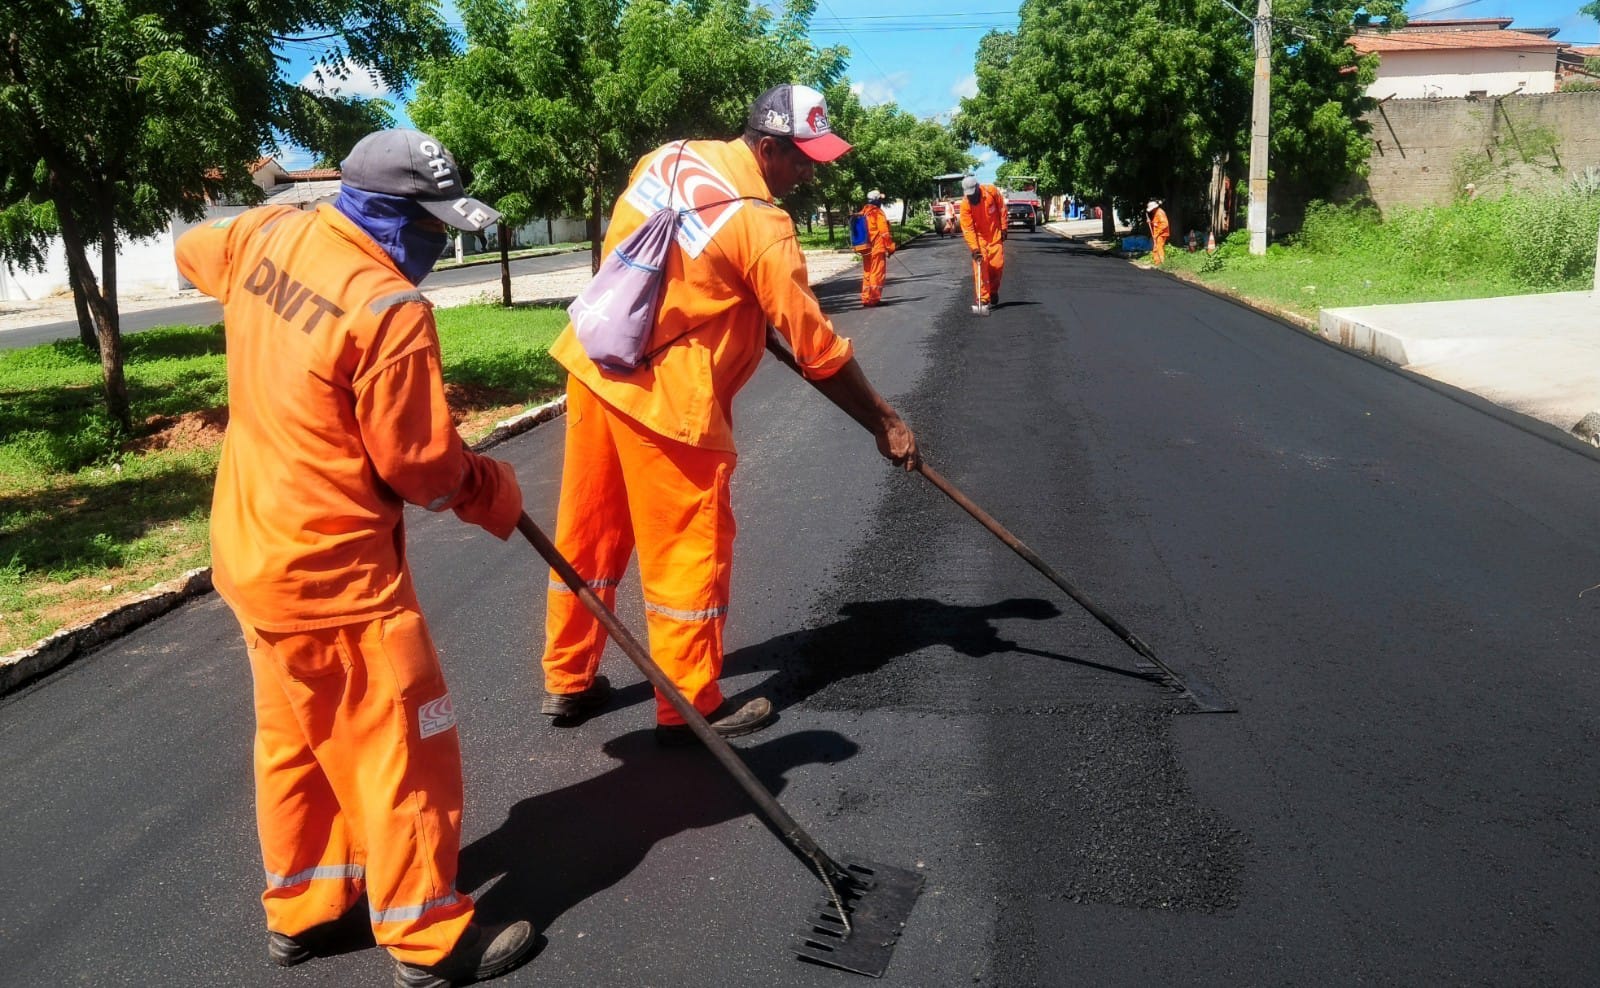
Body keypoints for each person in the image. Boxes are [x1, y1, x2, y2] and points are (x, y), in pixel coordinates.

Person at [174, 129, 535, 988]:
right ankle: (428, 937)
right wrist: (495, 491)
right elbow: (418, 465)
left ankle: (303, 909)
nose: (440, 246)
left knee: (297, 740)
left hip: (254, 555)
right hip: (338, 579)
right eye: (431, 226)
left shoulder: (269, 233)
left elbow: (192, 246)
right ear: (382, 213)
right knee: (403, 748)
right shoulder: (387, 308)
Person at [538, 83, 919, 746]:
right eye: (802, 159)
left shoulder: (668, 158)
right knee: (687, 552)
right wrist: (884, 421)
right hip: (668, 402)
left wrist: (733, 306)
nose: (809, 173)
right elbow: (817, 349)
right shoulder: (761, 224)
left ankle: (568, 678)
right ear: (767, 146)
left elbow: (662, 254)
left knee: (587, 537)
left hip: (597, 364)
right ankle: (688, 706)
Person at [959, 175, 1005, 315]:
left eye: (973, 194)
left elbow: (1002, 208)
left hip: (995, 236)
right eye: (968, 195)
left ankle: (993, 291)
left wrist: (1004, 227)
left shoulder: (991, 191)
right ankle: (983, 299)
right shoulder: (965, 205)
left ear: (978, 188)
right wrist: (974, 248)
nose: (971, 198)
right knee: (980, 266)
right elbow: (968, 229)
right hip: (979, 239)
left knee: (997, 266)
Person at [858, 189, 896, 307]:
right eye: (880, 199)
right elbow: (884, 233)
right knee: (877, 273)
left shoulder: (863, 212)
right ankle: (874, 299)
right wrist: (891, 247)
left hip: (865, 248)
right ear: (876, 200)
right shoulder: (877, 213)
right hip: (877, 247)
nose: (881, 202)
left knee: (867, 272)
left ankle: (866, 298)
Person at [1147, 199, 1170, 265]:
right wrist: (1150, 222)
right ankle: (1158, 263)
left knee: (1158, 248)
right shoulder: (1156, 213)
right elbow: (1156, 224)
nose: (1151, 210)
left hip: (1161, 234)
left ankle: (1161, 263)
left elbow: (1164, 224)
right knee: (1156, 248)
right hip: (1159, 233)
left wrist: (1157, 234)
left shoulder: (1160, 212)